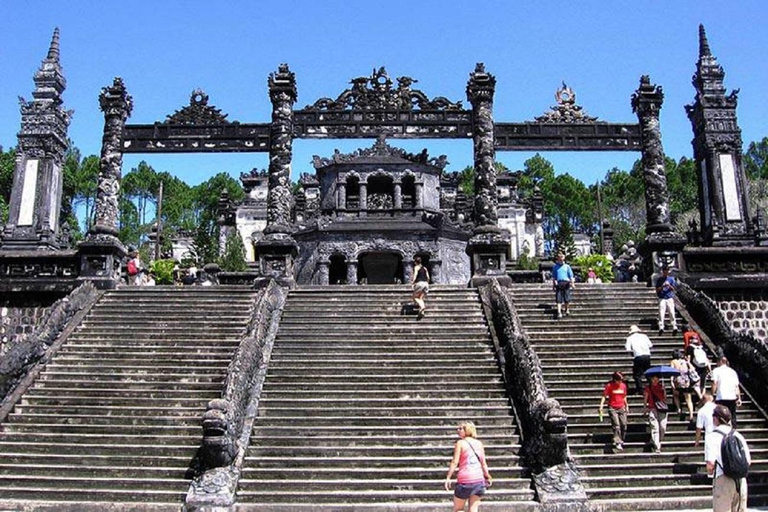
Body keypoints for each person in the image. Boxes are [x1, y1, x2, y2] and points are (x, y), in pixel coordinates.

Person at [705, 405, 751, 512]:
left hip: (723, 479)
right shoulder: (738, 435)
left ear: (715, 419)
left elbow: (710, 465)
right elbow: (748, 461)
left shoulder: (711, 437)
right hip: (741, 481)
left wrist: (711, 475)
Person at [445, 421, 492, 512]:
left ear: (467, 430)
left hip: (465, 481)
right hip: (478, 480)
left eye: (461, 428)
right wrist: (487, 475)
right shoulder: (479, 443)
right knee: (473, 510)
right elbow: (483, 463)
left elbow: (455, 462)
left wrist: (448, 477)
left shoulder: (460, 443)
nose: (458, 430)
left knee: (458, 509)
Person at [599, 371, 629, 452]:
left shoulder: (623, 386)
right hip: (612, 407)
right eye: (619, 380)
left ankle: (621, 439)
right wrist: (601, 406)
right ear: (615, 380)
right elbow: (604, 396)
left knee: (624, 424)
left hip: (621, 406)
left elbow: (624, 396)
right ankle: (617, 441)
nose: (620, 382)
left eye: (621, 380)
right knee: (616, 425)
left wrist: (626, 405)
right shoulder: (609, 386)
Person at [711, 357, 742, 429]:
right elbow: (736, 386)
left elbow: (714, 383)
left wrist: (712, 395)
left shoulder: (716, 370)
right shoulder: (732, 371)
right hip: (732, 397)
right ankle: (733, 430)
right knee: (732, 416)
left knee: (720, 415)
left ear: (720, 362)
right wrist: (739, 398)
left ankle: (722, 430)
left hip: (721, 397)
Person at [644, 374, 668, 453]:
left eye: (656, 379)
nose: (655, 381)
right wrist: (645, 407)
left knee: (663, 426)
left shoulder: (661, 387)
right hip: (652, 408)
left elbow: (665, 399)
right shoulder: (648, 387)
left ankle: (657, 440)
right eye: (653, 379)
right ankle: (657, 445)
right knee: (655, 427)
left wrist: (664, 391)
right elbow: (646, 398)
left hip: (662, 408)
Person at [625, 324, 653, 394]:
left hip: (638, 356)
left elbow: (628, 349)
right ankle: (652, 387)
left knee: (637, 375)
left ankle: (640, 389)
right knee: (648, 372)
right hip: (647, 355)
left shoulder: (630, 338)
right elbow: (650, 345)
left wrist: (633, 353)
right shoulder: (644, 336)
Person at [670, 349, 695, 421]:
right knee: (688, 399)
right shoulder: (684, 361)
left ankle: (678, 409)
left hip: (678, 381)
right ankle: (691, 414)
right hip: (686, 381)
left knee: (675, 395)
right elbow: (692, 369)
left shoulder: (673, 361)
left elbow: (672, 371)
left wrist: (671, 381)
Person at [655, 265, 678, 336]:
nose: (666, 272)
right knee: (661, 313)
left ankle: (674, 326)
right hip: (662, 297)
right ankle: (661, 326)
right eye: (665, 271)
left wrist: (669, 286)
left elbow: (674, 289)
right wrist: (662, 286)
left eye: (667, 271)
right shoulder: (659, 280)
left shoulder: (671, 279)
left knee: (672, 312)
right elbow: (657, 290)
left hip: (669, 297)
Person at [552, 253, 575, 319]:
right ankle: (559, 312)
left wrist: (572, 283)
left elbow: (571, 276)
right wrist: (553, 285)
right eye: (560, 258)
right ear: (558, 259)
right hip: (559, 283)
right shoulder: (555, 267)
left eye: (562, 258)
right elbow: (554, 277)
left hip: (566, 282)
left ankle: (567, 309)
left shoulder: (567, 266)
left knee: (567, 298)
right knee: (558, 298)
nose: (561, 260)